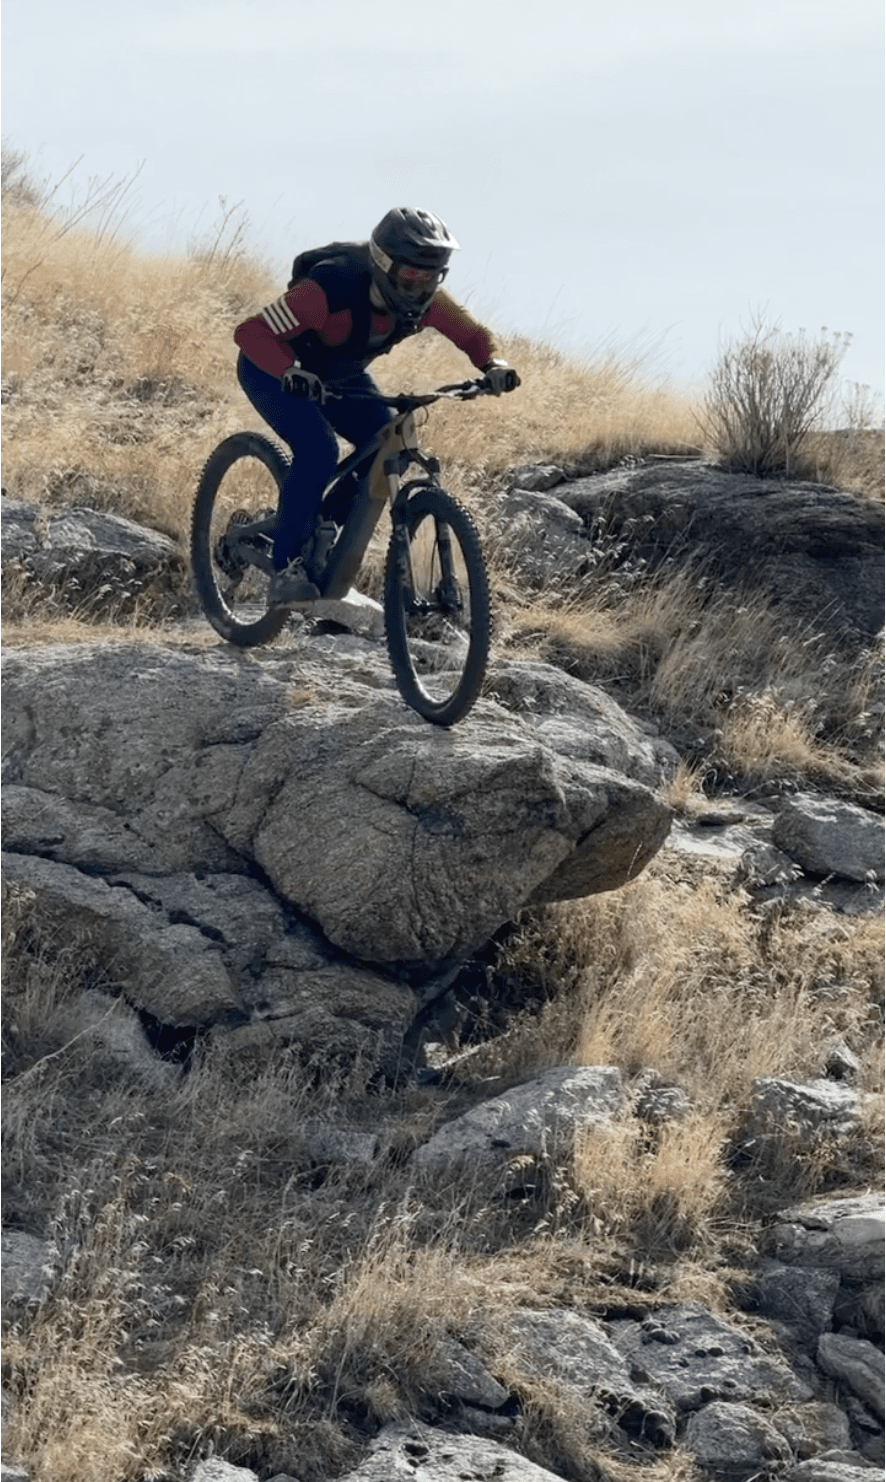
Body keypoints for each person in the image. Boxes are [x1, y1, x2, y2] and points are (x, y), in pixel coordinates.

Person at [233, 207, 520, 605]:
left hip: (339, 377)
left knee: (385, 447)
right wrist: (288, 370)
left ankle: (315, 529)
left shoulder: (428, 304)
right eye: (410, 277)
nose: (419, 289)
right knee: (318, 448)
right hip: (274, 369)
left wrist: (494, 365)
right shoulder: (327, 290)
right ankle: (286, 570)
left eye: (430, 279)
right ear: (384, 266)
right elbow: (251, 332)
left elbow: (473, 335)